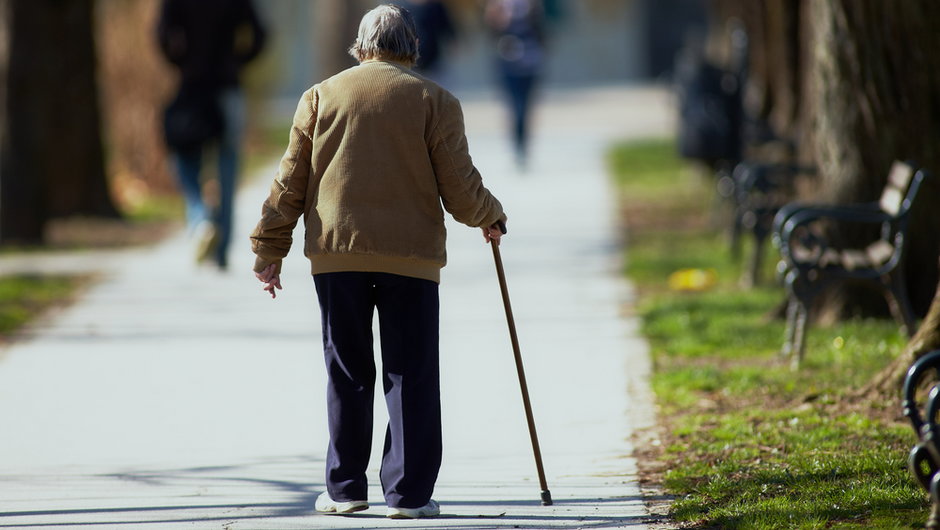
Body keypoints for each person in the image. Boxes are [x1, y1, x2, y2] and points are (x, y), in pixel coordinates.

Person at [249, 4, 507, 519]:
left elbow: (289, 183)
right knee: (410, 371)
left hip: (336, 254)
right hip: (410, 257)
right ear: (411, 47)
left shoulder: (319, 97)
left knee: (346, 370)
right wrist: (490, 215)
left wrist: (268, 247)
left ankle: (345, 489)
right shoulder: (435, 100)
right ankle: (408, 495)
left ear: (360, 46)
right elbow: (459, 186)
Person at [157, 0, 266, 270]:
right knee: (227, 169)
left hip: (191, 87)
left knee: (183, 158)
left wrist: (180, 61)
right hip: (227, 89)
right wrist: (237, 62)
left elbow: (161, 34)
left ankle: (200, 217)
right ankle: (221, 252)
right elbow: (260, 34)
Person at [484, 0, 545, 168]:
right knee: (514, 107)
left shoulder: (532, 6)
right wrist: (497, 17)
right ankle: (517, 146)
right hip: (508, 64)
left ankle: (523, 145)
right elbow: (492, 32)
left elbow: (542, 31)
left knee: (525, 107)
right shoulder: (498, 5)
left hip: (530, 63)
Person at [395, 0, 456, 81]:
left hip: (433, 59)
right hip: (409, 60)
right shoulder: (402, 8)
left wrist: (453, 42)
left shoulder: (436, 6)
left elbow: (446, 26)